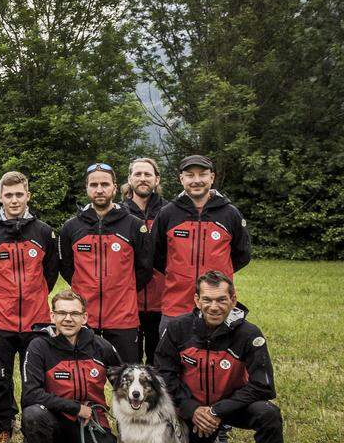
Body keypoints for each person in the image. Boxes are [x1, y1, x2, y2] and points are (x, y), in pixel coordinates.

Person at [155, 270, 283, 443]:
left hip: (231, 406)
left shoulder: (250, 334)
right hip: (193, 411)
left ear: (233, 299)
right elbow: (164, 375)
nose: (214, 307)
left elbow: (263, 385)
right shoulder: (178, 329)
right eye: (207, 299)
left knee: (269, 415)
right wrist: (193, 409)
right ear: (196, 300)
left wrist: (216, 410)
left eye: (221, 299)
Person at [0, 170, 59, 443]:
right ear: (0, 197)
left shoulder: (43, 231)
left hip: (36, 320)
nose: (14, 200)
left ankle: (33, 426)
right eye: (8, 195)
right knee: (0, 378)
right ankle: (2, 426)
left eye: (19, 194)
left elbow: (51, 273)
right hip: (0, 319)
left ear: (28, 196)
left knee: (34, 377)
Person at [20, 290, 125, 443]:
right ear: (52, 316)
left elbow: (123, 384)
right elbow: (30, 394)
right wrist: (75, 408)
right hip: (54, 420)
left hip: (91, 422)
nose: (68, 319)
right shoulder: (38, 346)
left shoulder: (101, 346)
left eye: (75, 314)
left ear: (84, 317)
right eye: (62, 313)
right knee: (33, 414)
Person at [58, 163, 152, 363]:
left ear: (115, 188)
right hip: (82, 319)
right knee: (81, 382)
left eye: (104, 184)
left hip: (122, 318)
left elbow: (144, 269)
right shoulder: (71, 227)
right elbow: (67, 268)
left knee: (127, 381)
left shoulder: (134, 225)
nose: (99, 189)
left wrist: (122, 289)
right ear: (86, 188)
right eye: (94, 185)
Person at [152, 155, 251, 335]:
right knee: (171, 360)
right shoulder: (167, 213)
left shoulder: (230, 213)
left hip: (217, 306)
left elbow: (242, 254)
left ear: (211, 177)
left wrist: (219, 273)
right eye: (190, 175)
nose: (196, 180)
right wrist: (178, 272)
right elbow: (156, 255)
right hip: (176, 304)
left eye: (202, 174)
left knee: (216, 358)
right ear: (181, 179)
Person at [122, 157, 167, 363]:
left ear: (156, 179)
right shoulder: (118, 214)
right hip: (128, 305)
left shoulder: (171, 212)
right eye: (137, 174)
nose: (142, 178)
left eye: (148, 174)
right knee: (131, 368)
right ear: (129, 179)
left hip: (165, 303)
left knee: (161, 366)